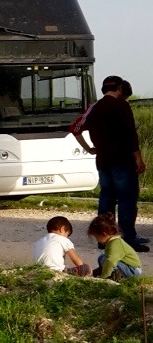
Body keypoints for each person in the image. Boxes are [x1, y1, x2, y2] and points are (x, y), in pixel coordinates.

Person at [71, 75, 148, 252]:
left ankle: (103, 238)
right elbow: (130, 134)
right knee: (127, 199)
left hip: (103, 160)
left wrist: (90, 148)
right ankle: (128, 239)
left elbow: (75, 128)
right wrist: (138, 157)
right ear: (120, 88)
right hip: (122, 160)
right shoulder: (121, 105)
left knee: (106, 198)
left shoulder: (94, 107)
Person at [88, 213, 143, 280]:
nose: (97, 240)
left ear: (104, 234)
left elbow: (111, 261)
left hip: (133, 270)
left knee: (105, 259)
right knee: (102, 257)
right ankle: (109, 273)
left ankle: (114, 276)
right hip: (128, 268)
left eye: (97, 238)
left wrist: (103, 277)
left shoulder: (116, 243)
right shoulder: (111, 242)